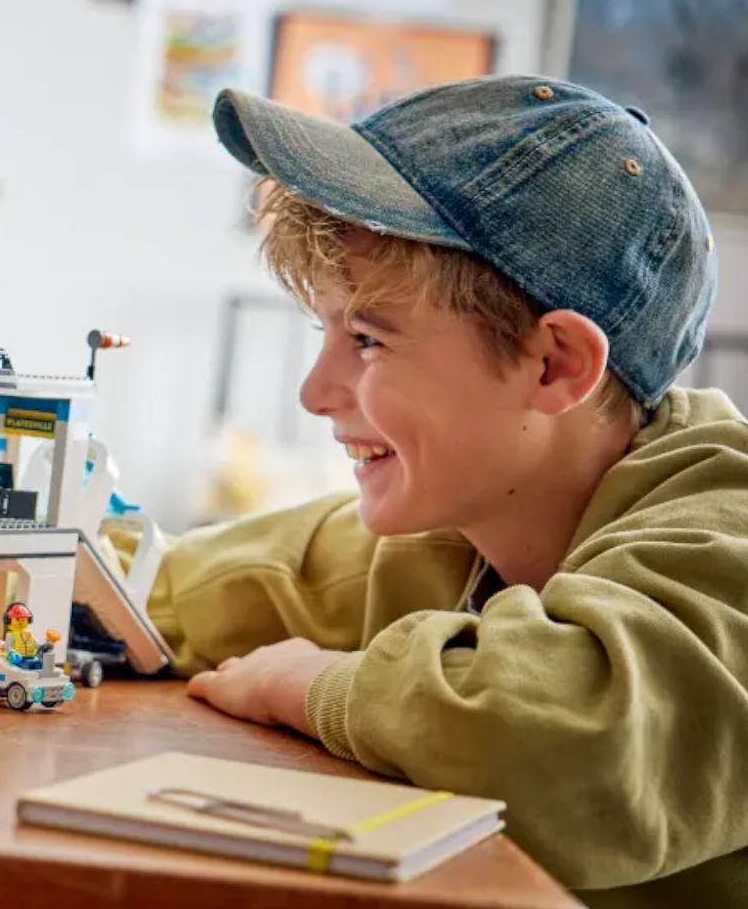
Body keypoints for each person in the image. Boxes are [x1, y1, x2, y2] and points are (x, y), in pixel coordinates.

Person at [154, 75, 745, 907]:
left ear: (555, 364)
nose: (315, 392)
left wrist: (309, 684)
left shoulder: (728, 540)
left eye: (365, 339)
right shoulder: (455, 527)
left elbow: (557, 744)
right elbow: (180, 584)